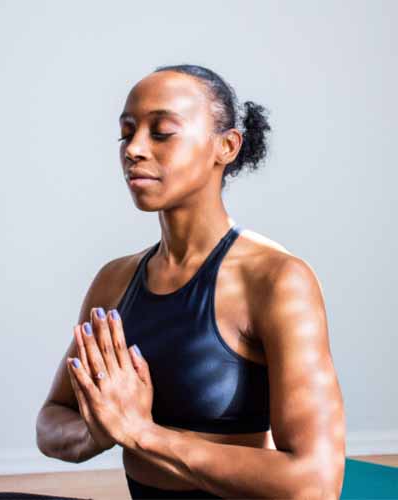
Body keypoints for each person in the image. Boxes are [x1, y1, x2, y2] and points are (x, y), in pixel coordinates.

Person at [35, 64, 346, 499]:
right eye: (127, 133)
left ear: (226, 146)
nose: (134, 149)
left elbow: (314, 482)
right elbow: (52, 419)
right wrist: (99, 432)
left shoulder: (277, 281)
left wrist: (144, 435)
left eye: (161, 132)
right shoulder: (114, 280)